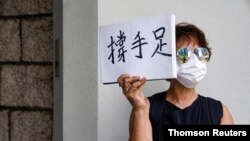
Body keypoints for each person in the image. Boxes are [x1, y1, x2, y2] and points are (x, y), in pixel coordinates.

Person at [117, 22, 234, 141]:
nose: (195, 60)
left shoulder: (219, 111)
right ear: (169, 60)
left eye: (201, 53)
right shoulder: (146, 107)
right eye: (184, 53)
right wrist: (139, 109)